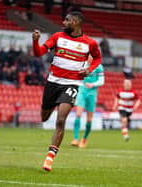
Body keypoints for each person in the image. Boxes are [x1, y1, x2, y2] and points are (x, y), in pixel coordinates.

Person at [32, 11, 101, 171]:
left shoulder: (89, 43)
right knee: (44, 117)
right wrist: (35, 41)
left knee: (61, 120)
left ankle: (49, 158)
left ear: (76, 22)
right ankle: (49, 112)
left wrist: (89, 69)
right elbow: (38, 53)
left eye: (67, 20)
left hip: (72, 84)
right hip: (53, 82)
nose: (64, 22)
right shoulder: (57, 37)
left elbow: (97, 58)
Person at [71, 57, 104, 148]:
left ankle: (84, 139)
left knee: (89, 120)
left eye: (92, 55)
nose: (90, 57)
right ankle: (75, 139)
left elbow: (102, 81)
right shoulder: (82, 64)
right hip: (82, 91)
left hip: (92, 93)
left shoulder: (99, 67)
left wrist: (93, 84)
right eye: (89, 55)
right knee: (78, 115)